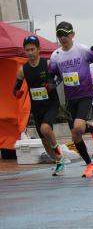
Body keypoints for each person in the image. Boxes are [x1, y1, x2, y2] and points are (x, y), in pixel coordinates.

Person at [49, 21, 93, 178]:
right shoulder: (56, 55)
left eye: (66, 34)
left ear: (72, 35)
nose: (63, 37)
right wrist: (52, 83)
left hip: (85, 94)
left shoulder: (82, 50)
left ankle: (89, 128)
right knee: (75, 134)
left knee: (78, 126)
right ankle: (90, 164)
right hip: (70, 98)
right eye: (59, 35)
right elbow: (53, 75)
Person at [13, 35, 64, 176]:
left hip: (51, 103)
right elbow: (15, 88)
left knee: (45, 128)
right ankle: (58, 162)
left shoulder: (47, 64)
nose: (30, 52)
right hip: (37, 107)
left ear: (38, 49)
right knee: (44, 140)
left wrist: (53, 85)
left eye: (32, 49)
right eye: (27, 50)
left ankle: (59, 155)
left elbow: (60, 77)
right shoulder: (23, 70)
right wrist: (17, 93)